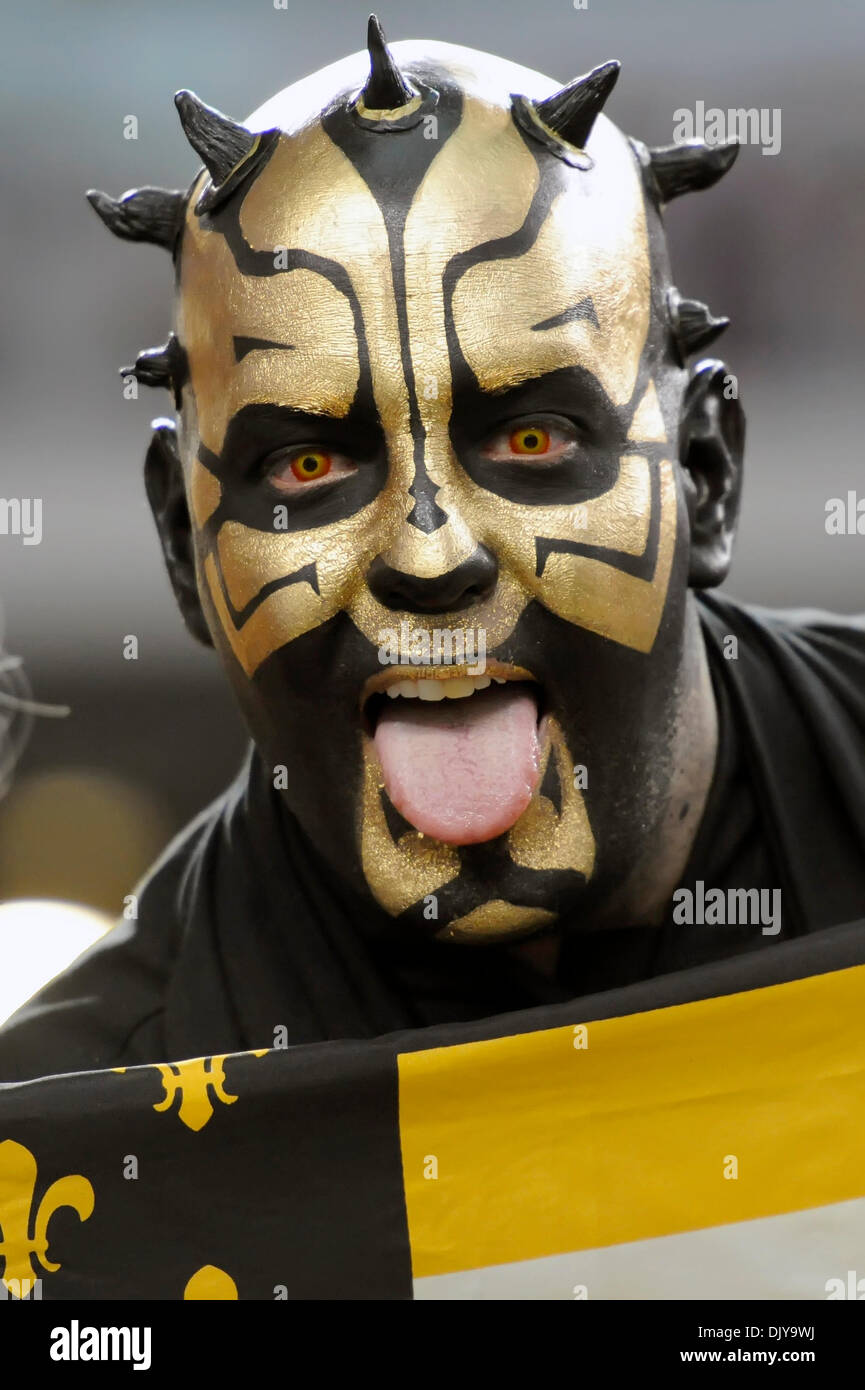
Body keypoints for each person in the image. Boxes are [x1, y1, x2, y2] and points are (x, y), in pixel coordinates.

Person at [1, 19, 863, 1082]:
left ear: (704, 474)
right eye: (309, 465)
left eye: (531, 438)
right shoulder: (68, 1163)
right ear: (184, 546)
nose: (429, 551)